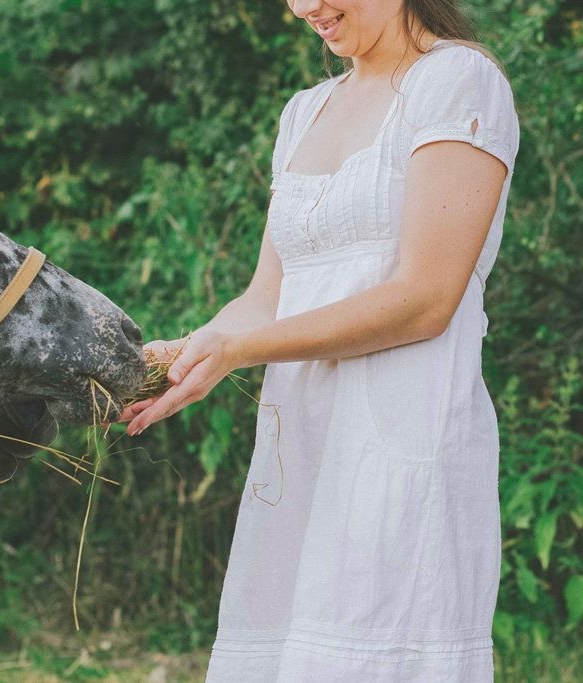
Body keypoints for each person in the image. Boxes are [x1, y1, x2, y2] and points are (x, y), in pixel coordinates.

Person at [118, 1, 520, 680]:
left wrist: (241, 352)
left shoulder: (458, 82)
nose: (304, 7)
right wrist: (194, 349)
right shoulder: (305, 111)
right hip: (301, 450)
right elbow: (267, 296)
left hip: (399, 443)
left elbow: (425, 299)